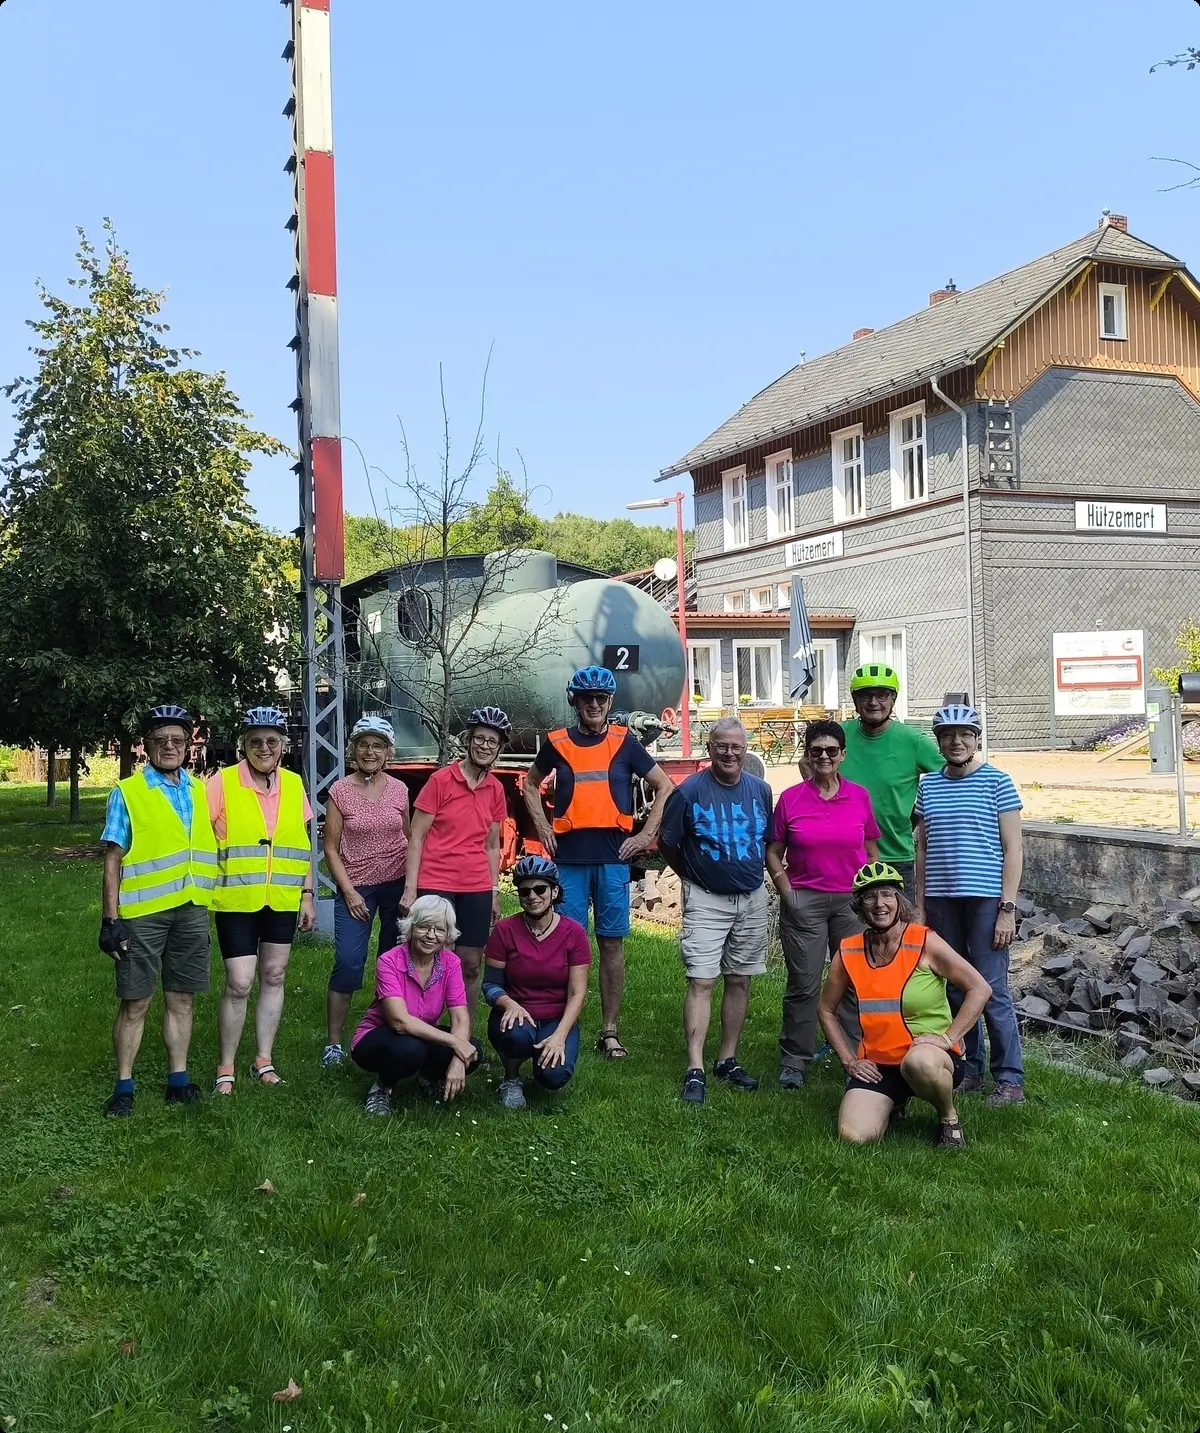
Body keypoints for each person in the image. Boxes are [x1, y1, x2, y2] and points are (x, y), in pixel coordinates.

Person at [522, 665, 674, 1060]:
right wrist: (543, 827)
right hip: (569, 859)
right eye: (586, 698)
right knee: (564, 944)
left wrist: (644, 836)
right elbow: (529, 783)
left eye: (601, 698)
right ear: (575, 701)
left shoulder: (626, 742)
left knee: (611, 944)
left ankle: (609, 1031)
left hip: (612, 858)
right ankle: (561, 1025)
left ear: (610, 702)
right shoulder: (557, 742)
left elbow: (665, 786)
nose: (594, 704)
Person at [817, 863, 993, 1148]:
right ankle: (894, 1101)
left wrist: (947, 1038)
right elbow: (826, 1009)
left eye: (887, 894)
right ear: (859, 908)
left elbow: (980, 989)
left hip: (929, 1057)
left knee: (919, 1062)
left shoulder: (925, 941)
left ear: (899, 901)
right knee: (854, 1136)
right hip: (879, 1064)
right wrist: (849, 1061)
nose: (879, 904)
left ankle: (948, 1119)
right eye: (869, 897)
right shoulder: (848, 951)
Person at [98, 704, 219, 1116]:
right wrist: (110, 920)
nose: (170, 746)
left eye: (177, 740)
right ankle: (124, 1087)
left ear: (188, 746)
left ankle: (178, 1082)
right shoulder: (128, 792)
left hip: (191, 909)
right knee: (136, 1001)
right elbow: (113, 858)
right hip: (143, 913)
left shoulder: (200, 790)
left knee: (182, 998)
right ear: (146, 746)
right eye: (160, 740)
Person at [915, 703, 1026, 1107]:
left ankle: (1010, 1078)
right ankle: (971, 1069)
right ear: (938, 742)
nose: (956, 742)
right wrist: (921, 906)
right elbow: (922, 849)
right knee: (957, 988)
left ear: (976, 739)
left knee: (992, 988)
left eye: (964, 735)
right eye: (947, 735)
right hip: (942, 899)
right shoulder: (928, 786)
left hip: (985, 900)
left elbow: (1013, 849)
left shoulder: (998, 782)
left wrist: (1007, 909)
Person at [658, 718, 773, 1105]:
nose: (729, 753)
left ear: (745, 749)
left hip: (751, 897)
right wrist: (690, 876)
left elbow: (766, 840)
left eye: (736, 747)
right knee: (701, 980)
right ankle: (695, 1068)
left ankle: (727, 1059)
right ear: (709, 749)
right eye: (721, 746)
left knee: (740, 979)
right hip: (706, 897)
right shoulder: (688, 791)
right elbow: (668, 842)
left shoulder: (761, 790)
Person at [766, 718, 880, 1091]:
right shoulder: (791, 799)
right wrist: (787, 893)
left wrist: (870, 896)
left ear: (843, 754)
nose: (825, 757)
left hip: (851, 905)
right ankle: (794, 1061)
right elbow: (773, 851)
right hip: (805, 901)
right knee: (805, 983)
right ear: (808, 755)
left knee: (852, 980)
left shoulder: (859, 797)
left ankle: (850, 1055)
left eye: (832, 750)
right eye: (817, 751)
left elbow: (871, 852)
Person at [207, 707, 316, 1093]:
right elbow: (202, 840)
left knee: (274, 976)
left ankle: (263, 1060)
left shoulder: (293, 783)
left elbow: (301, 843)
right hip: (236, 897)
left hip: (282, 898)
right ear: (244, 745)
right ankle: (226, 1066)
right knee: (239, 982)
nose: (264, 748)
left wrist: (307, 895)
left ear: (283, 746)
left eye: (272, 741)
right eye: (256, 741)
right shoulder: (221, 782)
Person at [401, 707, 510, 1015]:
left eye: (492, 741)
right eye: (479, 739)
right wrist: (410, 890)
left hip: (475, 885)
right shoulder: (440, 781)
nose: (485, 746)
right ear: (468, 740)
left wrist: (494, 891)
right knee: (433, 956)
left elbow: (492, 845)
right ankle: (425, 1026)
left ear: (499, 749)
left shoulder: (495, 789)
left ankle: (463, 1032)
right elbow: (416, 837)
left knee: (471, 963)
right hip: (436, 880)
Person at [322, 715, 410, 1068]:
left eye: (377, 745)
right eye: (363, 745)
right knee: (348, 961)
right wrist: (349, 892)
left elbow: (408, 837)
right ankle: (333, 1044)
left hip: (396, 886)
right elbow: (330, 848)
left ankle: (386, 1027)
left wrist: (411, 888)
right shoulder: (340, 791)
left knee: (394, 961)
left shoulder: (400, 789)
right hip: (356, 886)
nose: (370, 752)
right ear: (353, 749)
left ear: (389, 752)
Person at [349, 895, 481, 1112]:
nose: (431, 935)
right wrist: (456, 1043)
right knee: (411, 1049)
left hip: (422, 1035)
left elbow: (460, 1017)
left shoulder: (451, 963)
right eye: (424, 927)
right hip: (378, 1037)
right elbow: (399, 1022)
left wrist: (459, 1059)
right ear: (411, 927)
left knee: (474, 1051)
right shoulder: (389, 961)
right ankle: (382, 1088)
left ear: (448, 934)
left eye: (439, 930)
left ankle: (427, 1079)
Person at [482, 855, 592, 1108]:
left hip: (556, 1018)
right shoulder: (504, 930)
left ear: (554, 892)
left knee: (554, 1077)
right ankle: (511, 1078)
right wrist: (509, 1004)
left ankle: (544, 1059)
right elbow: (489, 985)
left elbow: (577, 993)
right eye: (525, 891)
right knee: (516, 1035)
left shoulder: (574, 933)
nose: (532, 896)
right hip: (517, 1015)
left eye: (540, 889)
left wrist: (559, 1036)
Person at [838, 664, 944, 902]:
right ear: (855, 701)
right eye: (865, 696)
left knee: (901, 923)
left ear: (893, 699)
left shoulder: (913, 740)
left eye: (882, 695)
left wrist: (918, 813)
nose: (873, 702)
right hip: (846, 855)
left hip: (896, 855)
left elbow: (950, 777)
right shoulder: (840, 735)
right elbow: (808, 764)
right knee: (850, 925)